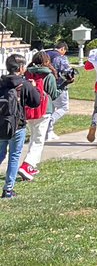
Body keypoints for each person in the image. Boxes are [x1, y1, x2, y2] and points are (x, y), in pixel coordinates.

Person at [1, 54, 42, 198]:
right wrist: (34, 88)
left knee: (0, 154)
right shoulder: (24, 84)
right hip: (17, 125)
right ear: (20, 68)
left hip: (1, 124)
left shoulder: (1, 82)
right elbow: (35, 102)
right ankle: (8, 189)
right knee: (14, 157)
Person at [17, 51, 58, 181]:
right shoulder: (48, 75)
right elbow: (54, 94)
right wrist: (64, 85)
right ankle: (26, 165)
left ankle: (31, 165)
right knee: (39, 140)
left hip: (29, 109)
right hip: (44, 110)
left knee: (34, 137)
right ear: (46, 61)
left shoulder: (27, 73)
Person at [44, 41, 75, 141]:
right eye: (64, 51)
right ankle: (50, 122)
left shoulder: (45, 54)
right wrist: (70, 78)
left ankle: (48, 132)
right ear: (62, 49)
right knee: (64, 107)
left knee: (50, 108)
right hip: (58, 85)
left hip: (45, 86)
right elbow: (67, 72)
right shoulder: (61, 58)